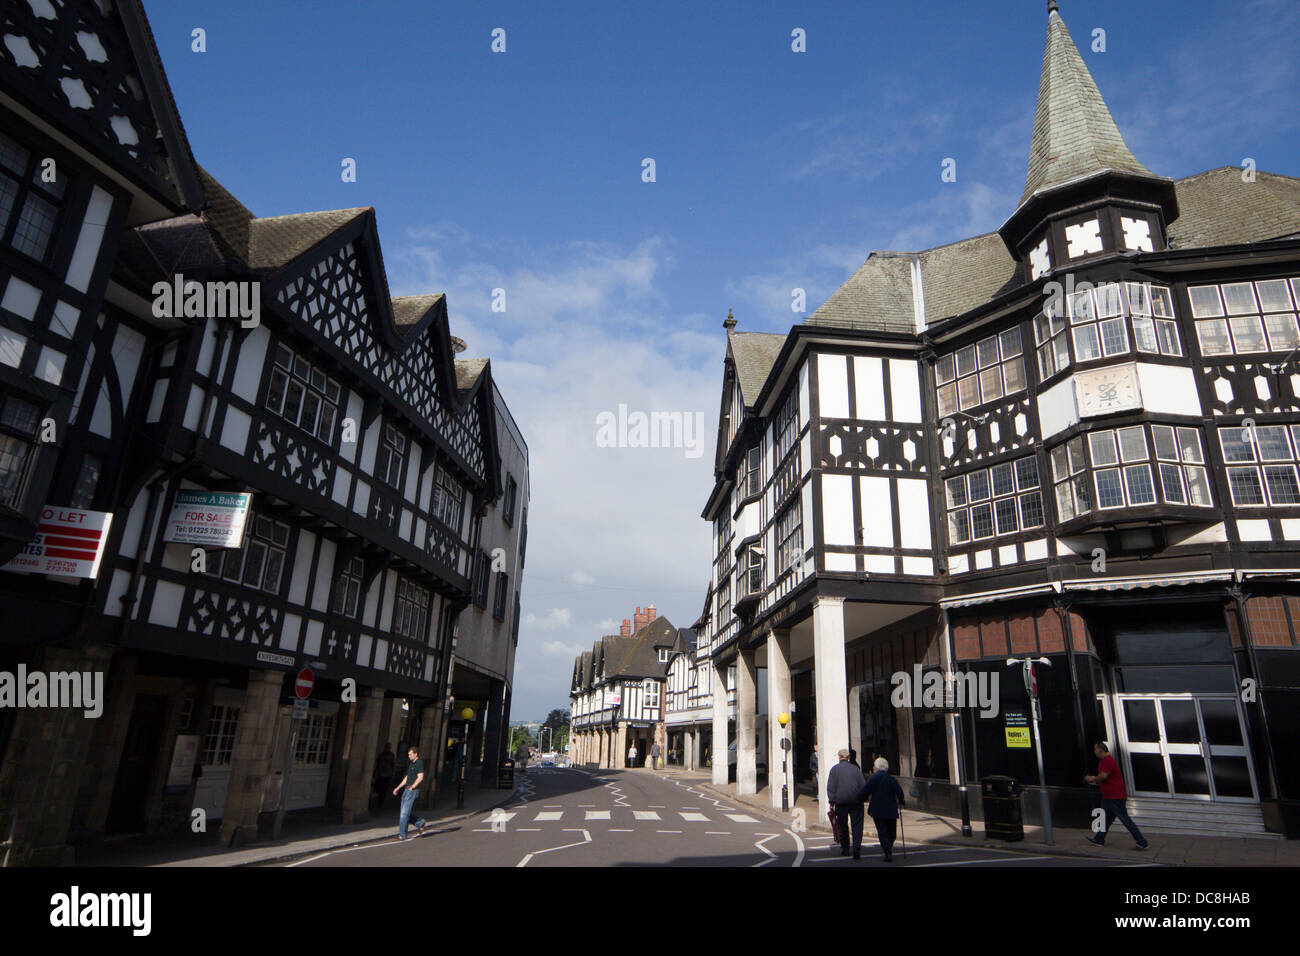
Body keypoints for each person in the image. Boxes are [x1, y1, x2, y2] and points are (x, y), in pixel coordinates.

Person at [1084, 742, 1149, 850]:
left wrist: (1092, 779)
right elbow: (1103, 777)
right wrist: (1095, 780)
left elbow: (1104, 776)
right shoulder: (1104, 761)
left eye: (1095, 750)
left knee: (1125, 819)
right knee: (1105, 819)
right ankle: (1099, 839)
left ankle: (1142, 842)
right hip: (1108, 796)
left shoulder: (1108, 760)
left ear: (1101, 750)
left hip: (1115, 796)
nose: (1094, 752)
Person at [860, 757, 906, 861]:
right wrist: (901, 801)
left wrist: (860, 799)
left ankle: (887, 851)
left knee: (882, 832)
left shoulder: (873, 778)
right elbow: (900, 792)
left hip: (877, 810)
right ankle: (888, 848)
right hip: (891, 809)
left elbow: (864, 791)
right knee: (892, 832)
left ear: (875, 768)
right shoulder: (891, 779)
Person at [826, 748, 868, 859]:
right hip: (856, 802)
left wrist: (832, 801)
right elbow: (863, 785)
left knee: (843, 826)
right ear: (848, 757)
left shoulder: (834, 770)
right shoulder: (855, 769)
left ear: (839, 757)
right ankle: (857, 849)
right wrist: (863, 798)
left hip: (841, 802)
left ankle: (845, 849)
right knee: (857, 826)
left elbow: (831, 787)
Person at [392, 746, 426, 840]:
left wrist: (413, 787)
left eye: (410, 754)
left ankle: (402, 835)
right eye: (408, 754)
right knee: (404, 812)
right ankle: (420, 823)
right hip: (406, 789)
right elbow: (407, 778)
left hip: (412, 791)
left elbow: (420, 777)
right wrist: (398, 787)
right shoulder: (411, 763)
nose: (409, 756)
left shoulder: (419, 763)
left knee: (404, 813)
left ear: (416, 754)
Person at [373, 742, 396, 809]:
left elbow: (393, 764)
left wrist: (392, 773)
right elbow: (378, 764)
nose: (387, 748)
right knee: (379, 788)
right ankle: (380, 799)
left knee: (384, 789)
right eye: (387, 747)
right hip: (381, 774)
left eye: (389, 747)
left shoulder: (391, 755)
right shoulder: (381, 755)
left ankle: (381, 801)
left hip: (387, 774)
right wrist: (376, 772)